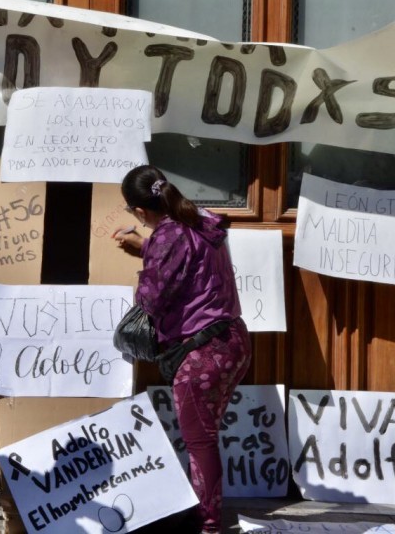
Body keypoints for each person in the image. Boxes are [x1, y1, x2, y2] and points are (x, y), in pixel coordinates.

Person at [113, 165, 251, 534]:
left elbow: (152, 300)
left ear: (140, 212)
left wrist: (146, 262)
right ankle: (202, 512)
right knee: (205, 437)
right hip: (232, 342)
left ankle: (207, 524)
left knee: (200, 442)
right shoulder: (201, 220)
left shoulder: (167, 236)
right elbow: (189, 266)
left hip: (201, 353)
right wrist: (146, 249)